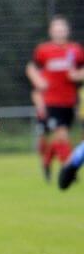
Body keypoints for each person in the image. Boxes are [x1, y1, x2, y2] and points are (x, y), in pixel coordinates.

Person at [25, 16, 84, 181]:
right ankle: (70, 171)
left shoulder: (75, 50)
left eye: (62, 28)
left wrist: (78, 75)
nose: (59, 32)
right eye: (56, 29)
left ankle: (46, 162)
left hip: (70, 102)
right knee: (62, 136)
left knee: (60, 139)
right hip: (51, 102)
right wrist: (38, 81)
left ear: (67, 30)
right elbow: (31, 68)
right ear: (51, 31)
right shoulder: (43, 50)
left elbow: (81, 70)